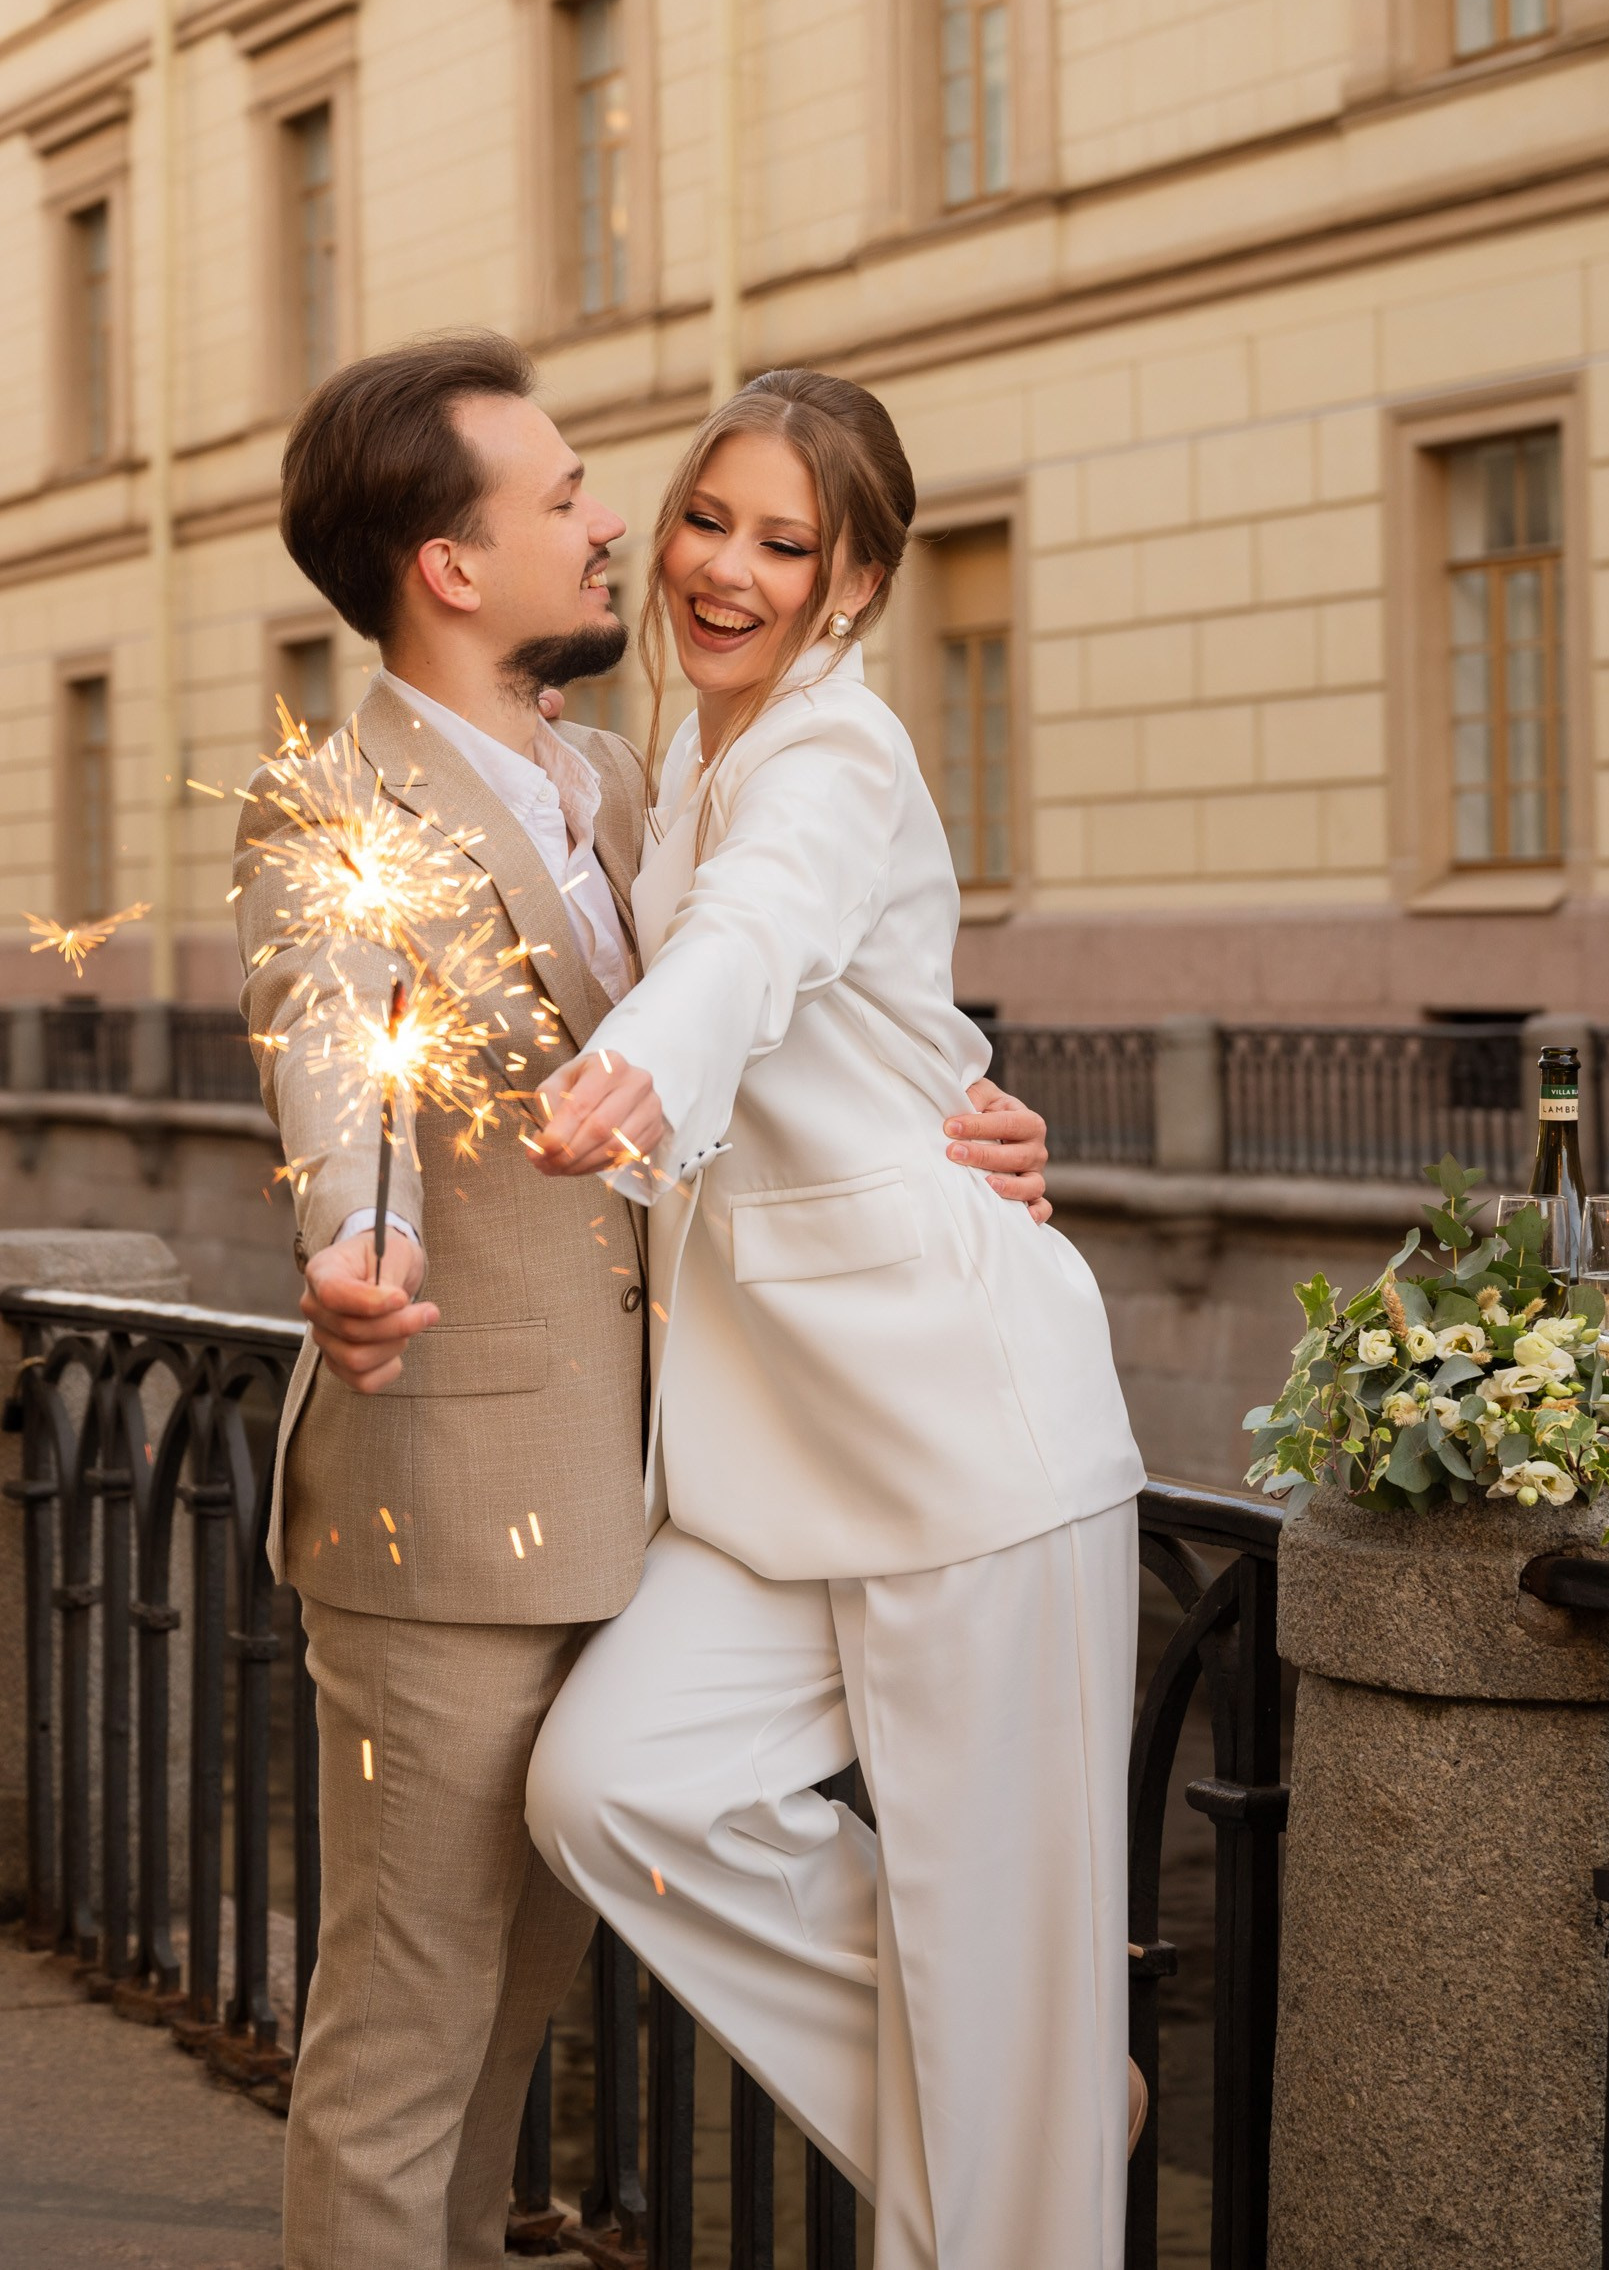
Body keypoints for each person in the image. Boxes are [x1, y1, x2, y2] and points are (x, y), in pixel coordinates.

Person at [232, 332, 1057, 2270]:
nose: (614, 524)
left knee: (504, 2046)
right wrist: (357, 1238)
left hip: (662, 1501)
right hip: (446, 1522)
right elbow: (332, 1032)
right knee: (400, 2049)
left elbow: (791, 980)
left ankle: (1005, 2070)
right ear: (449, 562)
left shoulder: (630, 772)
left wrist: (975, 1104)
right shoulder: (329, 804)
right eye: (564, 497)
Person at [523, 369, 1146, 2269]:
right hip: (775, 1454)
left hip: (969, 1447)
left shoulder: (833, 755)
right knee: (610, 1789)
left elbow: (761, 941)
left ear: (854, 584)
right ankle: (1035, 2088)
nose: (723, 567)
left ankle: (1024, 2108)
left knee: (992, 1988)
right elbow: (874, 1017)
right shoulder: (686, 754)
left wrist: (639, 1063)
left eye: (783, 544)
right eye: (706, 518)